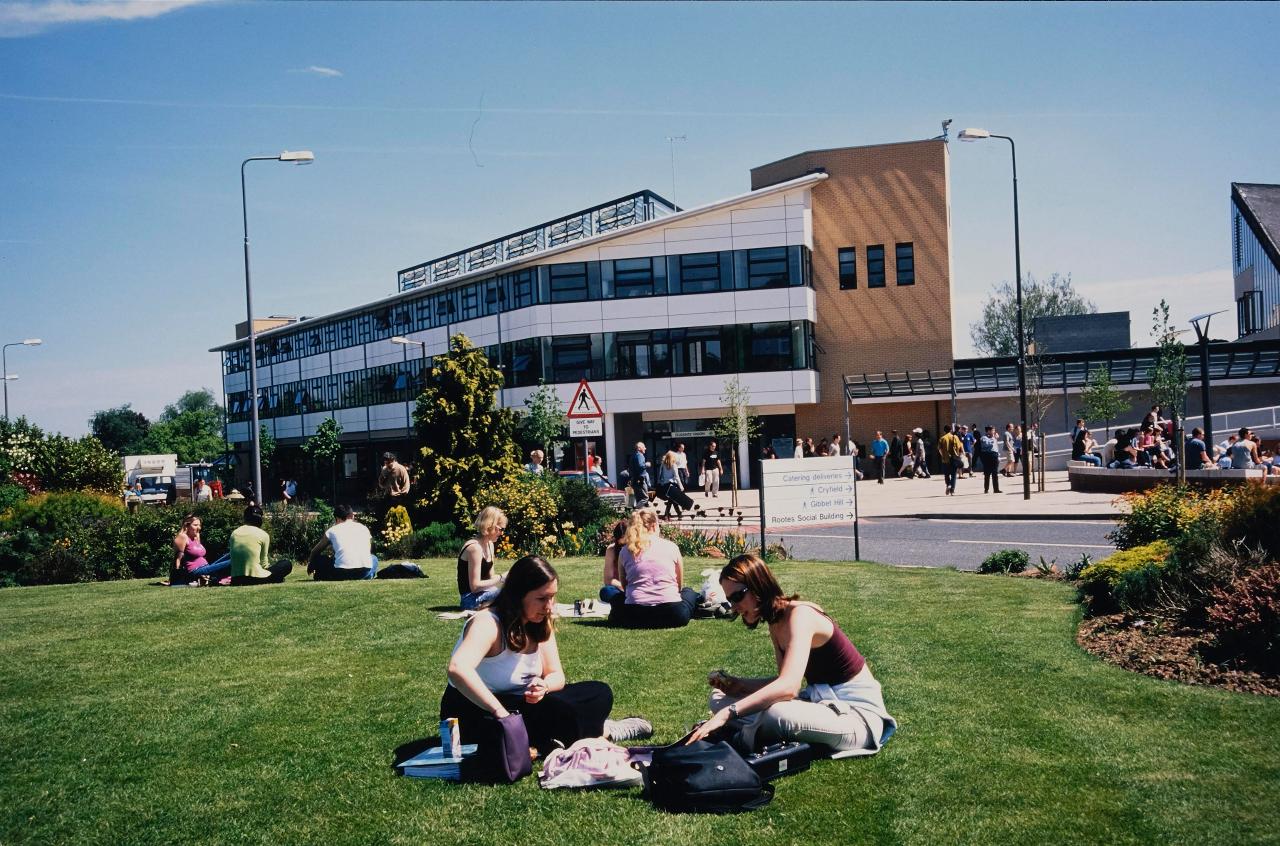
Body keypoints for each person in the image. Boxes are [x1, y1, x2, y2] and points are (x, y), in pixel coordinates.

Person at [442, 555, 651, 769]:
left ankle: (553, 740)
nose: (549, 606)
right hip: (479, 709)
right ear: (518, 595)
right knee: (558, 713)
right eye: (542, 599)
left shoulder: (540, 622)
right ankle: (599, 731)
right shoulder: (488, 623)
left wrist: (544, 686)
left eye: (552, 597)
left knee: (599, 693)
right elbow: (458, 669)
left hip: (523, 705)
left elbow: (556, 675)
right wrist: (500, 713)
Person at [687, 553, 896, 756]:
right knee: (719, 697)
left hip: (857, 717)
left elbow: (789, 688)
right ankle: (748, 730)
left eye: (737, 596)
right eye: (729, 599)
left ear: (759, 586)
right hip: (820, 704)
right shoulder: (776, 622)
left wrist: (729, 713)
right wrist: (739, 685)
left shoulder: (801, 615)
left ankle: (733, 740)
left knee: (776, 714)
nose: (734, 607)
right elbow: (783, 683)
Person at [606, 508, 700, 629]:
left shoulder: (625, 551)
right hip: (672, 614)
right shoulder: (672, 547)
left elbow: (625, 586)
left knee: (613, 595)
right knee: (688, 592)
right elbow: (679, 586)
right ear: (654, 525)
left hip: (634, 614)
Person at [308, 504, 378, 580]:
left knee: (321, 559)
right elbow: (368, 551)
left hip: (341, 572)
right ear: (352, 516)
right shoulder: (364, 528)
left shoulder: (332, 530)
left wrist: (311, 564)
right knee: (373, 558)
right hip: (363, 572)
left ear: (337, 518)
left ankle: (323, 574)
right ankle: (369, 575)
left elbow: (314, 552)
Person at [458, 506, 508, 610]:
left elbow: (491, 577)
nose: (502, 533)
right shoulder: (475, 548)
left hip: (484, 593)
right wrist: (501, 578)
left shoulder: (490, 544)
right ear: (489, 526)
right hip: (470, 599)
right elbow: (475, 587)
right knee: (509, 595)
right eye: (500, 529)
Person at [229, 506, 293, 586]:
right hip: (256, 579)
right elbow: (264, 564)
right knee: (286, 564)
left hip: (236, 579)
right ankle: (276, 578)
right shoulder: (263, 534)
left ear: (245, 518)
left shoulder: (234, 533)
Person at [170, 514, 230, 586]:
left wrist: (197, 537)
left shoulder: (196, 537)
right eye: (195, 525)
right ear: (187, 525)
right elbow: (178, 557)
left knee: (232, 554)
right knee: (232, 561)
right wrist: (176, 577)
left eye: (199, 525)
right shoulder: (183, 537)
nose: (199, 527)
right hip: (196, 571)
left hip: (206, 566)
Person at [655, 450, 702, 520]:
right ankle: (673, 514)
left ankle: (674, 514)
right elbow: (676, 476)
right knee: (672, 499)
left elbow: (660, 474)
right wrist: (681, 486)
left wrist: (660, 483)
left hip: (665, 484)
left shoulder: (663, 464)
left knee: (672, 499)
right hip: (672, 484)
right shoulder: (673, 465)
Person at [599, 520, 628, 604]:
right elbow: (608, 580)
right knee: (606, 591)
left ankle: (625, 600)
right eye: (621, 545)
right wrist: (624, 587)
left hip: (635, 588)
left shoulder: (637, 549)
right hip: (620, 588)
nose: (623, 548)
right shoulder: (611, 550)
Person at [937, 424, 963, 496]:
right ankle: (952, 490)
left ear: (944, 431)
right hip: (954, 459)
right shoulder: (955, 437)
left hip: (945, 460)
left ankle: (948, 484)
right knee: (953, 475)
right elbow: (960, 447)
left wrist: (943, 455)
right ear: (951, 430)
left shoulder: (942, 438)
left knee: (946, 475)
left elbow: (939, 449)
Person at [978, 425, 1002, 493]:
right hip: (987, 456)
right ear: (988, 431)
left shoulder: (994, 438)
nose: (994, 432)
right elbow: (986, 444)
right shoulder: (984, 438)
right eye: (992, 430)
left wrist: (998, 455)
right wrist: (994, 438)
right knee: (987, 473)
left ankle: (996, 489)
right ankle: (986, 489)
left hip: (994, 456)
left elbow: (995, 447)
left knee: (995, 473)